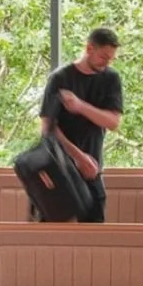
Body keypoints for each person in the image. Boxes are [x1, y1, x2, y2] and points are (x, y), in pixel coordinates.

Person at [39, 28, 123, 223]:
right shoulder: (60, 78)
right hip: (58, 166)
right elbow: (47, 128)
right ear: (89, 48)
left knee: (94, 228)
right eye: (103, 57)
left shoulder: (111, 78)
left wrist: (80, 106)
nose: (107, 63)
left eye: (111, 59)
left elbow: (113, 122)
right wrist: (78, 156)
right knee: (50, 231)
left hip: (92, 166)